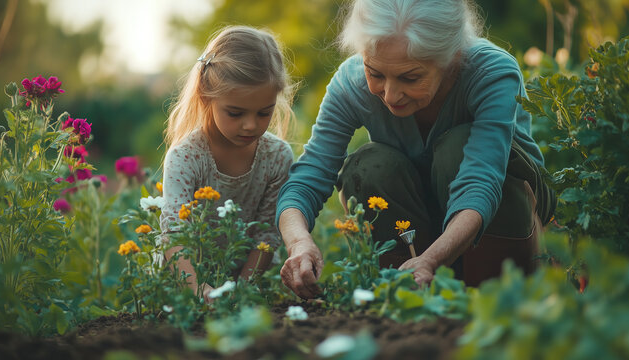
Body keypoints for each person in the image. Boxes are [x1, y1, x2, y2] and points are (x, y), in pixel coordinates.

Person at [276, 0, 556, 299]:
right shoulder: (351, 83)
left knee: (456, 148)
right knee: (369, 166)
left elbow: (480, 183)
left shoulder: (492, 72)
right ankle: (406, 289)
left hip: (503, 211)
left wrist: (432, 260)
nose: (390, 94)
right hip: (424, 219)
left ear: (452, 58)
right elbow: (309, 177)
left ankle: (499, 291)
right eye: (376, 73)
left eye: (410, 78)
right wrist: (299, 243)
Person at [160, 25, 296, 303]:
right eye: (235, 113)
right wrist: (199, 292)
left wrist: (241, 293)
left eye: (264, 112)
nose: (250, 125)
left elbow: (267, 236)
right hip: (186, 286)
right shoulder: (186, 157)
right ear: (206, 97)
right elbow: (175, 235)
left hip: (253, 286)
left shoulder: (277, 156)